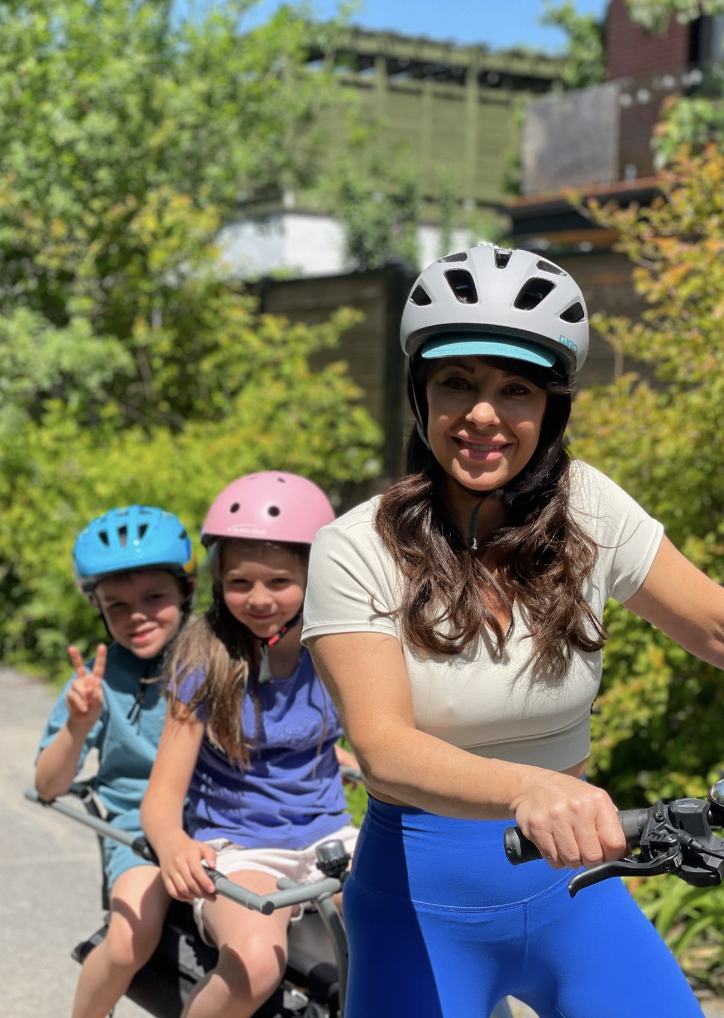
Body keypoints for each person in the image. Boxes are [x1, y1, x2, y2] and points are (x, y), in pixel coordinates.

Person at [301, 244, 724, 1018]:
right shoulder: (354, 546)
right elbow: (383, 748)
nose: (484, 414)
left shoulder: (587, 506)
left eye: (516, 389)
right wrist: (534, 787)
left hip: (575, 889)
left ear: (551, 407)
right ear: (420, 394)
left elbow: (716, 629)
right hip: (419, 909)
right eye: (456, 383)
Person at [141, 471, 358, 1018]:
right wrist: (173, 846)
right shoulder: (205, 658)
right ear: (218, 582)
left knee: (410, 935)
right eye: (239, 583)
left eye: (280, 582)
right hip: (243, 847)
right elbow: (162, 798)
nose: (259, 600)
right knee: (256, 964)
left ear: (315, 576)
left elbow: (329, 737)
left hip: (330, 834)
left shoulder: (338, 649)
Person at [35, 504, 196, 1018]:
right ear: (99, 611)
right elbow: (47, 785)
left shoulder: (218, 659)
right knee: (130, 941)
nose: (137, 616)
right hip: (138, 832)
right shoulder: (95, 685)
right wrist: (79, 723)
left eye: (154, 597)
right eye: (117, 606)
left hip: (226, 822)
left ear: (186, 593)